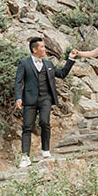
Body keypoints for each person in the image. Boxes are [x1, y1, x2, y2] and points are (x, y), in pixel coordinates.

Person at [13, 35, 75, 168]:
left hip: (45, 99)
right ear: (35, 50)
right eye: (42, 47)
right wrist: (18, 98)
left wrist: (70, 59)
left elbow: (63, 74)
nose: (45, 48)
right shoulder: (24, 63)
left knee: (45, 122)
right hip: (29, 100)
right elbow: (18, 82)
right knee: (27, 127)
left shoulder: (49, 64)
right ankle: (25, 157)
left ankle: (45, 150)